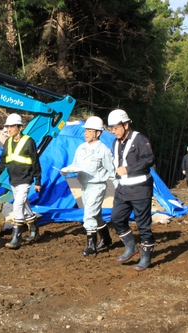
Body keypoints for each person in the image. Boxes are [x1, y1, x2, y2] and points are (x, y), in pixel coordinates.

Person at [106, 109, 155, 271]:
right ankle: (131, 247)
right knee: (117, 218)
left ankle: (146, 255)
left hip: (140, 188)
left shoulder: (139, 139)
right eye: (111, 128)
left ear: (126, 125)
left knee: (143, 224)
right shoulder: (116, 142)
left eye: (116, 127)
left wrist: (128, 169)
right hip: (123, 188)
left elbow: (149, 159)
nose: (114, 131)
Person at [60, 116, 115, 256]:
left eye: (90, 131)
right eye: (86, 131)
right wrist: (67, 170)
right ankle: (107, 239)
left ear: (98, 133)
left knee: (89, 215)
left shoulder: (104, 150)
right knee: (96, 215)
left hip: (97, 186)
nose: (86, 133)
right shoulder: (81, 148)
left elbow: (112, 170)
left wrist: (120, 188)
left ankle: (91, 246)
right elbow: (75, 164)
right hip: (84, 185)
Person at [0, 113, 41, 249]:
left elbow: (35, 162)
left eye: (12, 126)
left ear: (20, 127)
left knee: (17, 205)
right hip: (14, 180)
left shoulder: (29, 142)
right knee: (24, 206)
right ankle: (34, 229)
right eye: (7, 126)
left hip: (25, 179)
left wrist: (38, 181)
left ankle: (16, 237)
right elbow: (2, 162)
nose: (8, 129)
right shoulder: (8, 142)